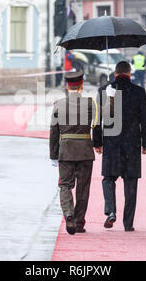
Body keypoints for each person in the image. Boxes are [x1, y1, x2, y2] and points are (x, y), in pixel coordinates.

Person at [93, 61, 146, 232]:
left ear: (115, 73)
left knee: (108, 178)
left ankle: (110, 210)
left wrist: (97, 142)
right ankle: (128, 223)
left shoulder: (103, 91)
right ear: (129, 73)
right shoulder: (138, 92)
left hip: (111, 141)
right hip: (132, 142)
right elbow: (145, 120)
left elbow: (97, 120)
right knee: (130, 182)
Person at [49, 70, 98, 235]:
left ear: (67, 85)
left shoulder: (58, 104)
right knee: (83, 188)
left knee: (65, 185)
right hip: (85, 150)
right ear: (81, 84)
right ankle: (78, 222)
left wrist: (53, 155)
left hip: (66, 150)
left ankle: (68, 213)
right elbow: (102, 120)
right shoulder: (91, 104)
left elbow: (53, 132)